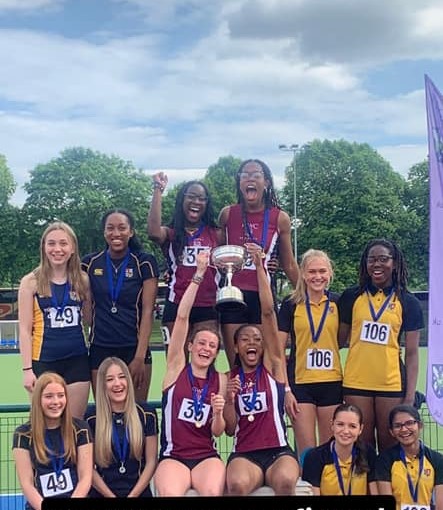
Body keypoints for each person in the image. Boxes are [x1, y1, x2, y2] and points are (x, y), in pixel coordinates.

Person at [224, 250, 300, 495]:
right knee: (236, 485)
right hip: (245, 454)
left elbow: (267, 313)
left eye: (257, 339)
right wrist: (229, 399)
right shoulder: (228, 379)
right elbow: (229, 429)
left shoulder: (272, 367)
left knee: (286, 482)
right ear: (236, 347)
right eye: (245, 339)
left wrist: (260, 267)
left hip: (278, 451)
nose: (252, 343)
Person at [338, 238, 424, 452]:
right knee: (362, 446)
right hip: (356, 382)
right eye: (372, 260)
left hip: (391, 384)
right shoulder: (351, 297)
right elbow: (337, 341)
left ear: (394, 263)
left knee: (390, 445)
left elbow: (412, 354)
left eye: (383, 259)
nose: (377, 264)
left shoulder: (408, 301)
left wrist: (409, 397)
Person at [153, 250, 227, 496]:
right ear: (190, 346)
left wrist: (218, 412)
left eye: (212, 346)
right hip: (174, 457)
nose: (206, 348)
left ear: (216, 353)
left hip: (206, 456)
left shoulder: (220, 380)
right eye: (201, 343)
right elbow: (182, 317)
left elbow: (218, 430)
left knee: (212, 493)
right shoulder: (176, 369)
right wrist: (199, 275)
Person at [218, 159, 299, 368]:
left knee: (265, 362)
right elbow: (214, 254)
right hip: (232, 295)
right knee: (236, 362)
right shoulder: (227, 214)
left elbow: (289, 264)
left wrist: (306, 294)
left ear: (267, 182)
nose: (250, 179)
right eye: (245, 175)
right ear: (239, 183)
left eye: (256, 175)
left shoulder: (280, 218)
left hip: (263, 295)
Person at [82, 208, 159, 401]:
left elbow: (148, 311)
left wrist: (140, 356)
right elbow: (86, 307)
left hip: (134, 348)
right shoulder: (89, 263)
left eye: (122, 228)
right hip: (100, 347)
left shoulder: (144, 262)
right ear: (104, 232)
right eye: (110, 228)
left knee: (137, 410)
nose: (116, 233)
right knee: (104, 411)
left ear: (131, 232)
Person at [18, 221, 91, 419]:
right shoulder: (30, 282)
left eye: (63, 243)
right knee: (45, 426)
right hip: (43, 361)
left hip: (77, 360)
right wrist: (27, 370)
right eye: (51, 243)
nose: (57, 249)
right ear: (44, 247)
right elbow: (24, 330)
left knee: (75, 424)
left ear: (72, 248)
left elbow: (89, 319)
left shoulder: (82, 280)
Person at [278, 249, 343, 459]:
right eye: (312, 271)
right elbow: (278, 351)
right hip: (300, 384)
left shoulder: (338, 302)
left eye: (322, 271)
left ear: (330, 273)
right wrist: (286, 389)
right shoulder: (290, 304)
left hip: (331, 382)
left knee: (329, 450)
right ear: (303, 274)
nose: (317, 276)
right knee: (307, 453)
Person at [147, 172, 222, 354]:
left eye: (202, 199)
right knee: (176, 362)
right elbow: (153, 232)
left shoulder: (217, 234)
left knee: (205, 361)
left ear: (207, 204)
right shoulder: (171, 233)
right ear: (182, 200)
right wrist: (158, 190)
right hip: (176, 303)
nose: (196, 201)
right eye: (192, 197)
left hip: (207, 306)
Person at [12, 372, 93, 510]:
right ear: (38, 399)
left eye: (61, 395)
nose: (56, 402)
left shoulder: (81, 429)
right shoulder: (23, 434)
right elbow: (27, 484)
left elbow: (85, 478)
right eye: (49, 396)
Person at [85, 357, 158, 498]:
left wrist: (133, 495)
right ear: (102, 385)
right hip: (102, 493)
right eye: (110, 379)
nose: (117, 383)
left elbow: (151, 462)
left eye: (122, 377)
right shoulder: (90, 418)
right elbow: (88, 468)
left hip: (139, 493)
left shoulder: (146, 413)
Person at [376, 404, 443, 510]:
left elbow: (440, 505)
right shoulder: (384, 460)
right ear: (391, 432)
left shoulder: (437, 460)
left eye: (409, 423)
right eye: (397, 426)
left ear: (419, 425)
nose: (404, 429)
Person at [302, 403, 378, 496]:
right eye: (340, 424)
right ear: (332, 425)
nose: (346, 431)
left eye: (352, 426)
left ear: (360, 429)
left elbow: (374, 491)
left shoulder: (368, 452)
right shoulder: (315, 457)